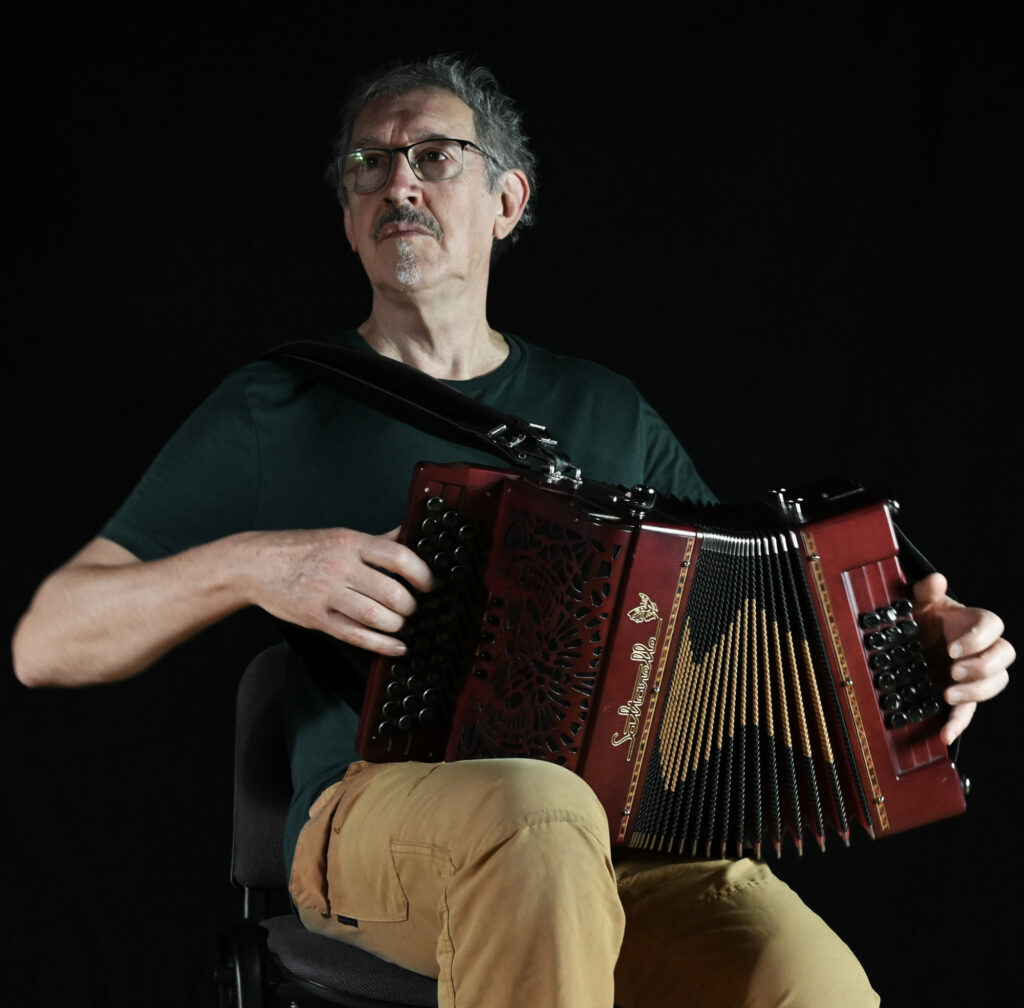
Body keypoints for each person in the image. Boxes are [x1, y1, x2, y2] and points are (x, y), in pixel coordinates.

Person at [12, 55, 1014, 1008]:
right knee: (539, 813)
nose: (398, 182)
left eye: (434, 156)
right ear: (349, 219)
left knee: (805, 980)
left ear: (506, 201)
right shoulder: (275, 409)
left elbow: (757, 621)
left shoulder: (606, 410)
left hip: (623, 843)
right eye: (368, 164)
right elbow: (47, 640)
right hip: (374, 818)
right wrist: (252, 565)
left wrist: (911, 652)